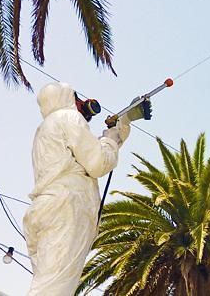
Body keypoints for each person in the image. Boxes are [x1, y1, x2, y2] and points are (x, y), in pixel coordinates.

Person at [23, 82, 130, 296]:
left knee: (48, 284)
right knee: (54, 289)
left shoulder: (44, 130)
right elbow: (97, 163)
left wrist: (119, 131)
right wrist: (110, 140)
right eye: (76, 98)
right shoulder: (69, 118)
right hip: (67, 208)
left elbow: (81, 159)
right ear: (65, 98)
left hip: (45, 210)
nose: (81, 104)